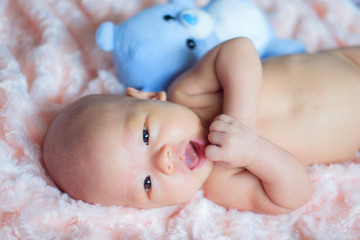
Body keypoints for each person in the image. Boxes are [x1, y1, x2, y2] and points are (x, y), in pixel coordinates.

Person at [42, 37, 360, 214]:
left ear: (151, 97)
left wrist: (241, 122)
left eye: (145, 135)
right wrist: (253, 153)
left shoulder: (190, 94)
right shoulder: (222, 183)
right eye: (147, 184)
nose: (162, 160)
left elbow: (239, 50)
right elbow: (295, 195)